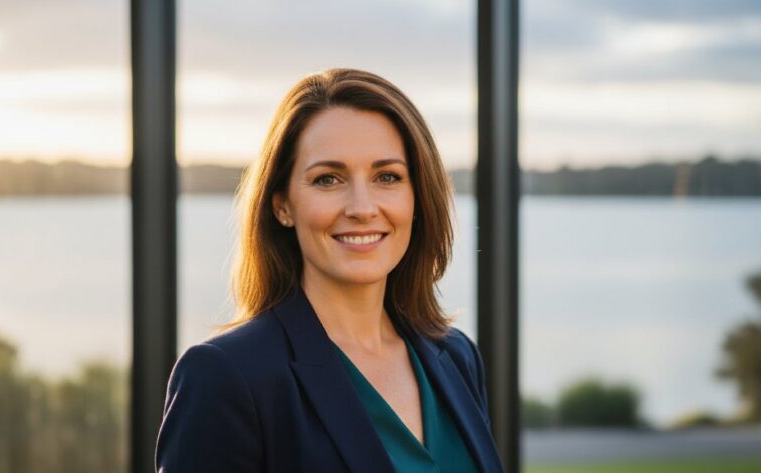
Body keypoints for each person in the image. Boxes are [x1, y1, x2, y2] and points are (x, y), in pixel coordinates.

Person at [155, 68, 505, 473]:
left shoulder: (457, 357)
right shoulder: (226, 377)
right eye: (328, 179)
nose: (361, 207)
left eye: (387, 177)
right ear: (282, 205)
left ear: (417, 197)